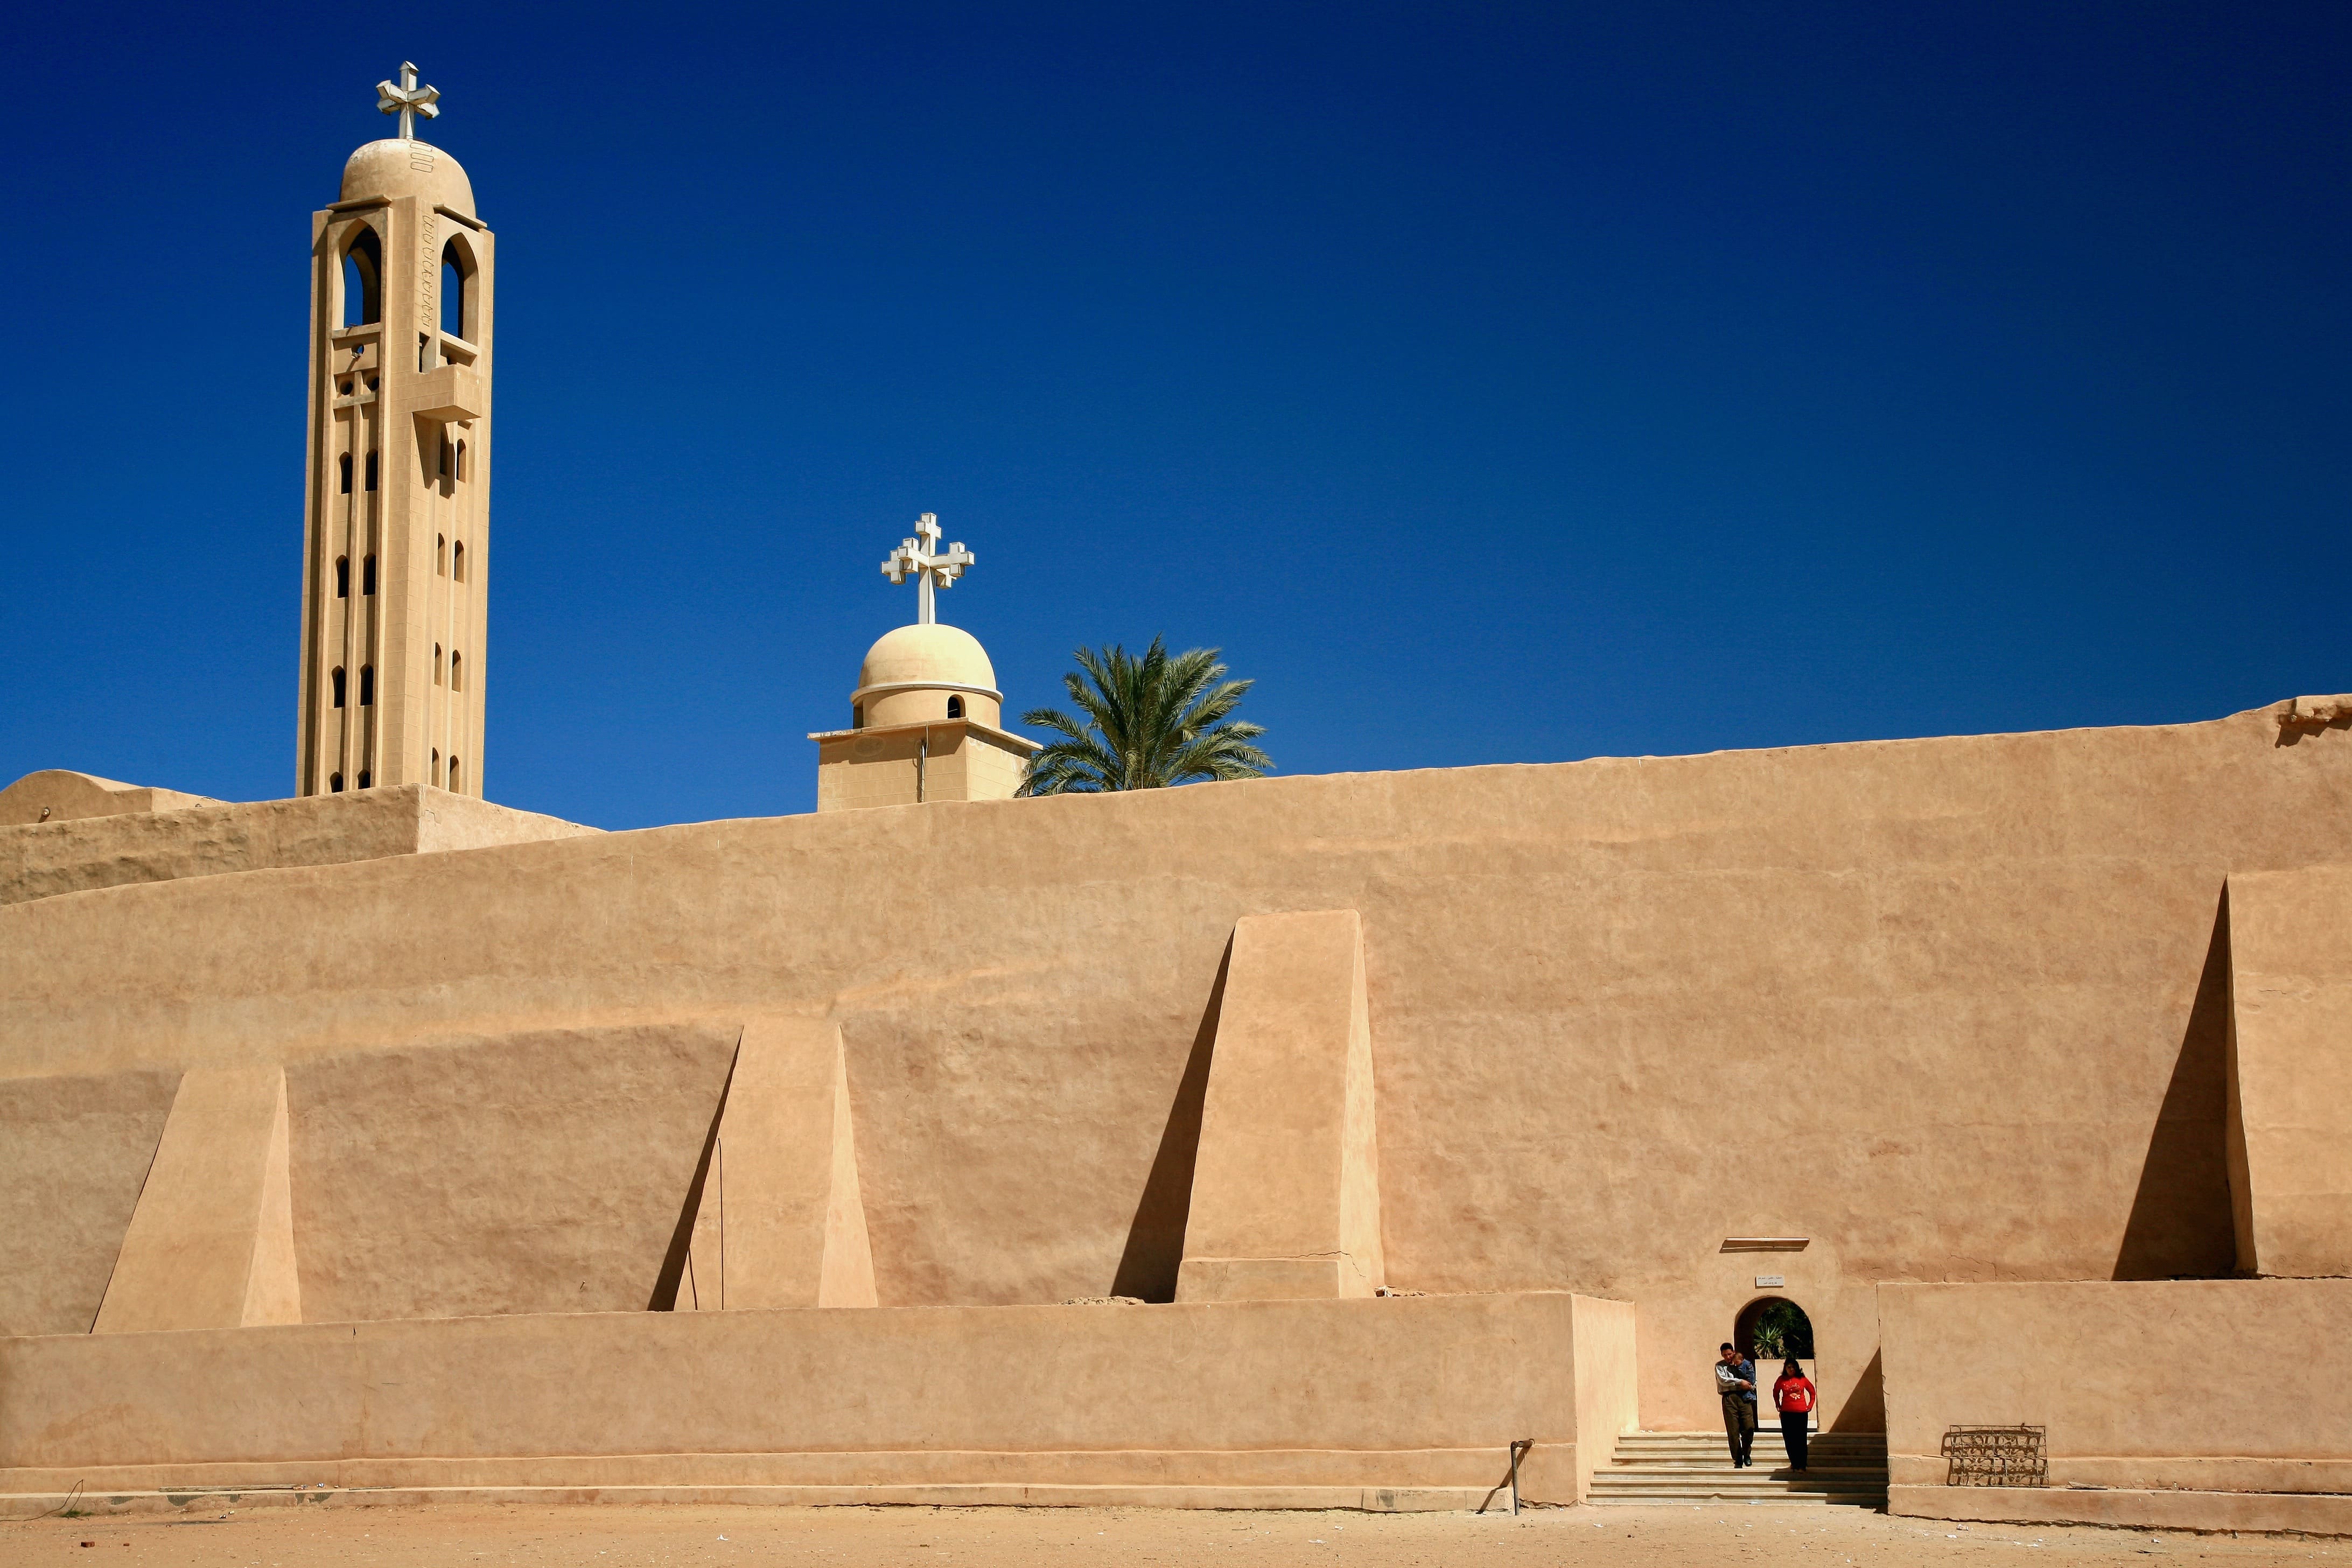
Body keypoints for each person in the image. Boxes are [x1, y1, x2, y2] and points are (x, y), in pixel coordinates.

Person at [1714, 1342, 1756, 1466]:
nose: (1728, 1357)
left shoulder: (1744, 1364)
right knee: (1733, 1431)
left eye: (1729, 1354)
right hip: (1729, 1398)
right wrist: (1740, 1382)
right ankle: (1738, 1459)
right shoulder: (1720, 1366)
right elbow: (1723, 1381)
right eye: (1725, 1355)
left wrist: (1749, 1385)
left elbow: (1752, 1379)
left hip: (1744, 1397)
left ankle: (1747, 1454)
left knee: (1749, 1427)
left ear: (1733, 1352)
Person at [1773, 1357, 1816, 1471]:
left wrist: (1810, 1406)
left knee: (1800, 1439)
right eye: (1789, 1367)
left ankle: (1802, 1465)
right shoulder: (1781, 1380)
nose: (1791, 1369)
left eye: (1793, 1367)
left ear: (1797, 1368)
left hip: (1801, 1413)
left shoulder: (1802, 1379)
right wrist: (1778, 1405)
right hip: (1787, 1413)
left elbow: (1812, 1392)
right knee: (1789, 1439)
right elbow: (1775, 1392)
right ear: (1785, 1368)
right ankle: (1794, 1462)